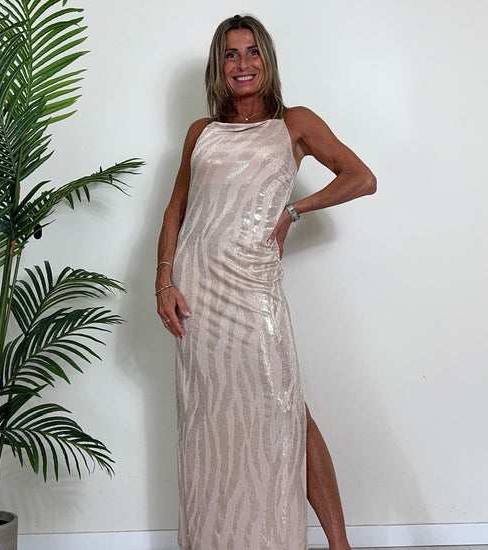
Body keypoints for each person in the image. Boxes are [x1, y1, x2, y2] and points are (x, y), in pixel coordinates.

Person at [155, 14, 376, 550]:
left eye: (252, 52)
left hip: (253, 289)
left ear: (267, 60)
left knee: (286, 410)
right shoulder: (201, 132)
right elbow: (176, 208)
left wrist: (295, 209)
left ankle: (339, 545)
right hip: (198, 296)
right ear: (219, 65)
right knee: (211, 421)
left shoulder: (294, 123)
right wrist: (163, 280)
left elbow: (361, 177)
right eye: (230, 54)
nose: (242, 64)